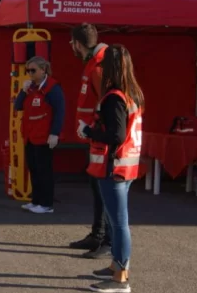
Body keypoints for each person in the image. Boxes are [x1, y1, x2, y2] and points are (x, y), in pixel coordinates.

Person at [80, 44, 143, 293]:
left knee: (118, 224)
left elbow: (115, 135)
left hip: (113, 167)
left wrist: (88, 131)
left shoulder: (114, 97)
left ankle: (120, 279)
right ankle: (116, 267)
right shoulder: (132, 94)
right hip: (126, 167)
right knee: (119, 222)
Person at [68, 23, 113, 260]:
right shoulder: (95, 63)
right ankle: (98, 233)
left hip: (101, 138)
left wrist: (93, 128)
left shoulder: (99, 66)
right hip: (94, 137)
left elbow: (109, 103)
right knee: (96, 187)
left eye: (72, 44)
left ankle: (107, 239)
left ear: (77, 43)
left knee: (103, 189)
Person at [13, 56, 66, 214]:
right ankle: (36, 200)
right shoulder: (31, 88)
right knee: (34, 169)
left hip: (44, 136)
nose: (30, 73)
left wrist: (55, 133)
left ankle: (46, 203)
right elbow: (18, 106)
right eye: (27, 70)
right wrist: (23, 91)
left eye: (33, 70)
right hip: (30, 135)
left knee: (44, 170)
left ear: (43, 70)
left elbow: (59, 111)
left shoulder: (52, 88)